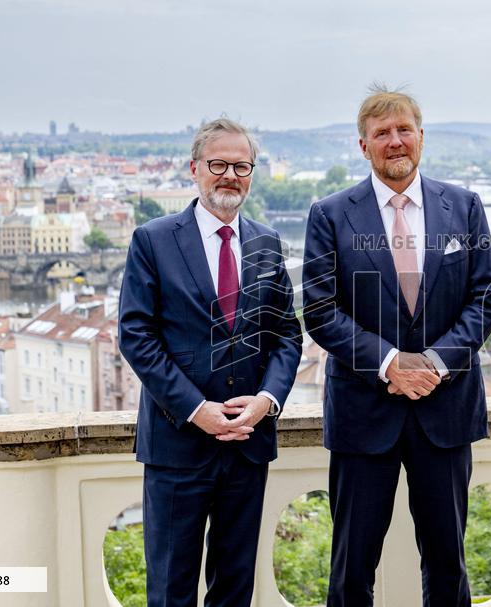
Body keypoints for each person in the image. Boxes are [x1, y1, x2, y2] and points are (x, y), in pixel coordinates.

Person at [302, 85, 491, 606]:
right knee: (351, 568)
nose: (395, 142)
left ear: (421, 136)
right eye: (382, 133)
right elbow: (320, 310)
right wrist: (390, 364)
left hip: (447, 411)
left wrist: (435, 363)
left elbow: (486, 296)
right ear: (363, 145)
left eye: (404, 130)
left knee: (447, 564)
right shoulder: (329, 214)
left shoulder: (464, 206)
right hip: (363, 414)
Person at [119, 118, 302, 607]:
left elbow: (286, 332)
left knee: (235, 589)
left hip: (247, 445)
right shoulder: (153, 240)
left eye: (241, 166)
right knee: (170, 590)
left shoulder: (267, 242)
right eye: (218, 164)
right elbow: (136, 337)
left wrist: (268, 400)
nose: (230, 175)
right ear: (195, 168)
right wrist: (195, 408)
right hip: (177, 447)